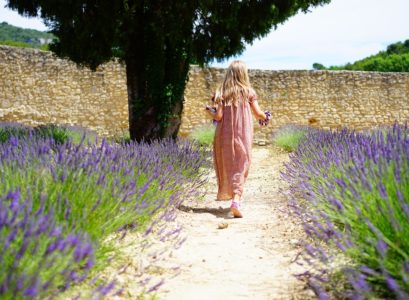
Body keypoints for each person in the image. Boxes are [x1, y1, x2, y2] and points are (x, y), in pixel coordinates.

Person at [205, 60, 271, 218]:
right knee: (242, 164)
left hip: (223, 135)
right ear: (243, 74)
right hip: (243, 133)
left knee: (228, 164)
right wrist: (267, 117)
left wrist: (210, 112)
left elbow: (219, 116)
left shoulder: (222, 92)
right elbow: (258, 114)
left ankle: (231, 195)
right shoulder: (248, 92)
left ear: (229, 73)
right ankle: (236, 199)